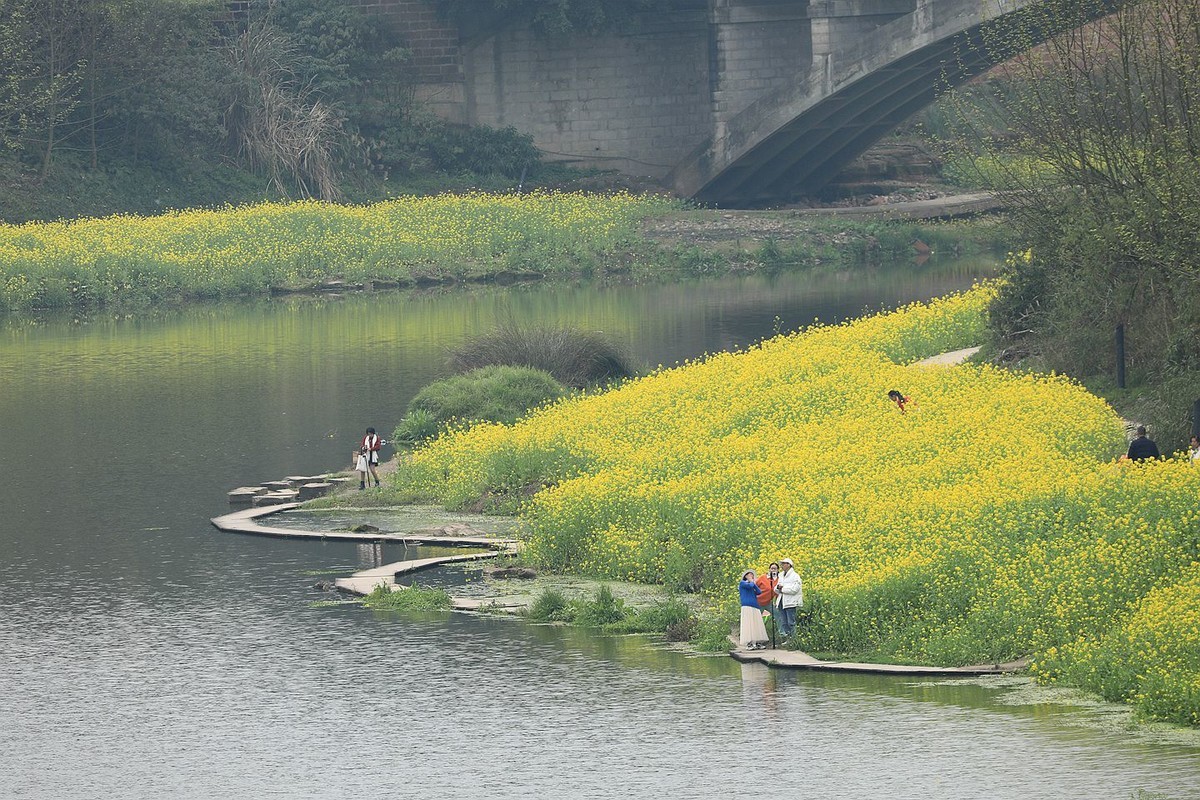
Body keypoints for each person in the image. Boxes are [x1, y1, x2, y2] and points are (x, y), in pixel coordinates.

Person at [738, 570, 770, 650]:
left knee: (756, 623)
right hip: (747, 605)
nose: (751, 576)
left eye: (752, 575)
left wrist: (754, 584)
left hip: (755, 605)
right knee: (748, 624)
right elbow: (749, 586)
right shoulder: (743, 583)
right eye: (749, 575)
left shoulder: (752, 584)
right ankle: (750, 642)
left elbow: (759, 592)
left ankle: (758, 642)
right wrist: (751, 582)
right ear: (745, 576)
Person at [774, 557, 803, 638]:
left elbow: (795, 589)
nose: (782, 565)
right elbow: (775, 588)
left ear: (789, 565)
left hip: (791, 602)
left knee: (791, 622)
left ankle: (794, 639)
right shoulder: (781, 575)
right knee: (784, 622)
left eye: (783, 564)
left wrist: (782, 589)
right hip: (781, 601)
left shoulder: (795, 576)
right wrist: (778, 588)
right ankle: (788, 639)